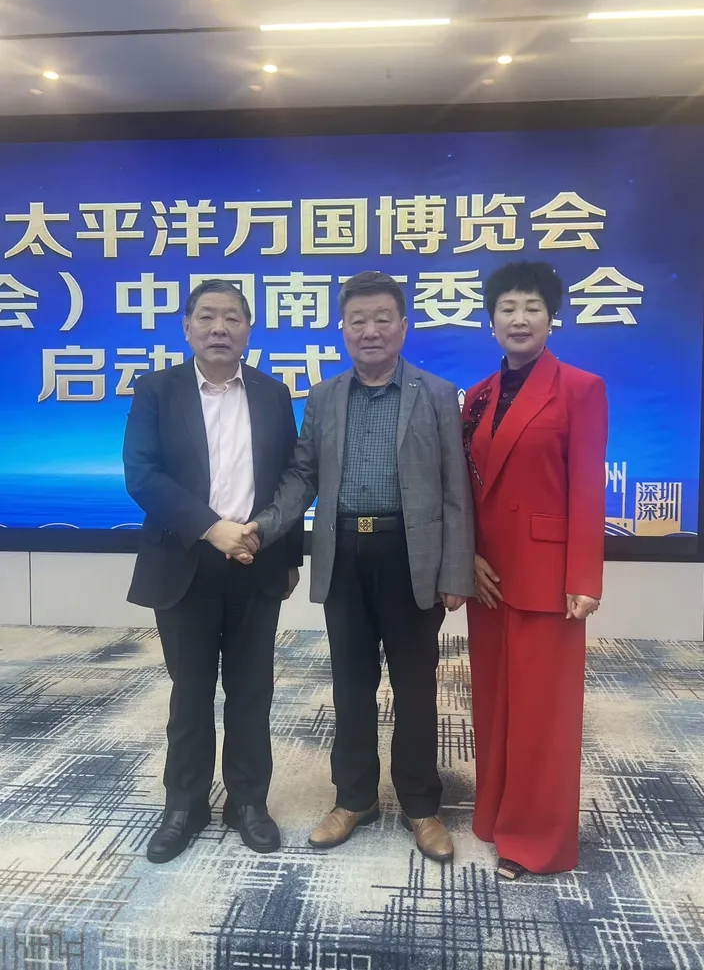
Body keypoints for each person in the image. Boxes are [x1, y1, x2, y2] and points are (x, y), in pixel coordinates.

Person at [242, 271, 475, 863]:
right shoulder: (324, 396)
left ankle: (421, 806)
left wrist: (456, 572)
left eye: (382, 319)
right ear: (343, 330)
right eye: (358, 321)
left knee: (416, 687)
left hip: (411, 557)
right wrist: (264, 526)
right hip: (344, 553)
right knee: (350, 685)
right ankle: (354, 799)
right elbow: (302, 476)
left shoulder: (437, 393)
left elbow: (456, 489)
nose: (370, 331)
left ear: (403, 326)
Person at [123, 278, 303, 864]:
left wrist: (286, 555)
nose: (219, 327)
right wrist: (210, 527)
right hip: (186, 562)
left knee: (252, 692)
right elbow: (142, 475)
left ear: (248, 329)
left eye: (231, 317)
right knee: (191, 692)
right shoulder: (157, 390)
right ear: (187, 327)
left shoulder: (274, 394)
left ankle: (248, 802)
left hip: (255, 561)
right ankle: (185, 804)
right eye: (206, 316)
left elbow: (290, 478)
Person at [462, 261, 608, 880]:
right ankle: (495, 814)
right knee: (494, 704)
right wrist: (465, 557)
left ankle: (535, 841)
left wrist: (584, 577)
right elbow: (467, 488)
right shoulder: (477, 396)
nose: (519, 319)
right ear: (491, 320)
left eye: (532, 308)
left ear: (552, 319)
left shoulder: (580, 388)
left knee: (543, 715)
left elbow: (588, 487)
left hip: (549, 577)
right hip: (488, 577)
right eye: (507, 308)